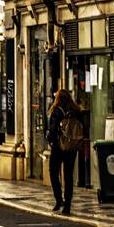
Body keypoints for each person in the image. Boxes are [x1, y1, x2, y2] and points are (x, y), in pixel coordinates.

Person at [46, 88, 86, 216]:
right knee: (68, 176)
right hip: (72, 147)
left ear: (57, 99)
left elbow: (52, 130)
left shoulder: (56, 111)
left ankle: (59, 199)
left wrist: (51, 141)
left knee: (53, 171)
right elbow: (83, 127)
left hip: (58, 147)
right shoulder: (76, 111)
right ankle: (67, 205)